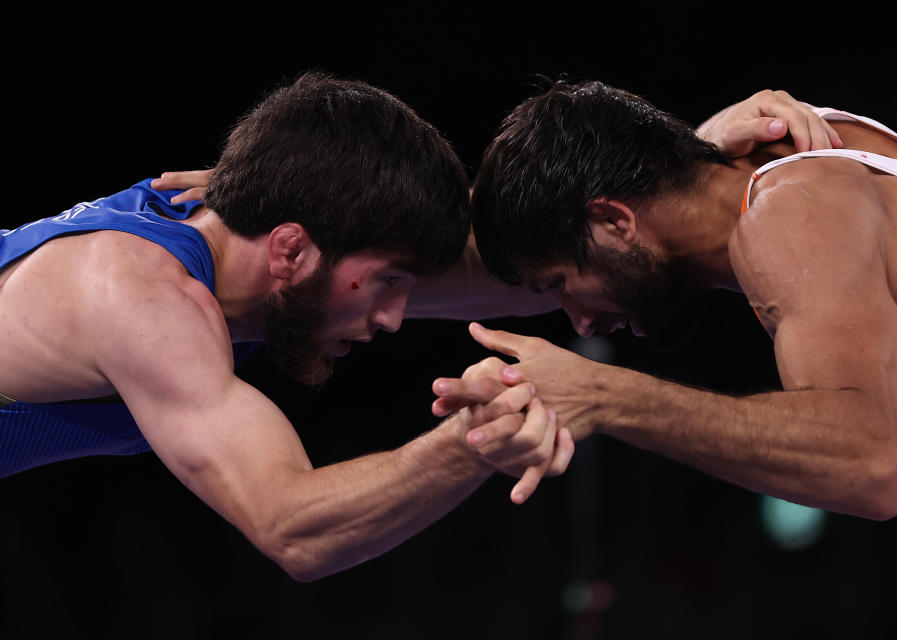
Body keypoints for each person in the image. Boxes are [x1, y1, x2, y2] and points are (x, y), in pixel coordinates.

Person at [0, 73, 839, 581]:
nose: (400, 315)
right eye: (390, 283)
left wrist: (683, 172)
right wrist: (472, 439)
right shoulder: (143, 299)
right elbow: (292, 526)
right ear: (290, 249)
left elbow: (517, 272)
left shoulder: (272, 225)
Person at [434, 81, 897, 521]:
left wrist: (603, 393)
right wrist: (698, 140)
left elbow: (874, 464)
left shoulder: (792, 212)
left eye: (558, 285)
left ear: (616, 220)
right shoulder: (812, 141)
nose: (580, 321)